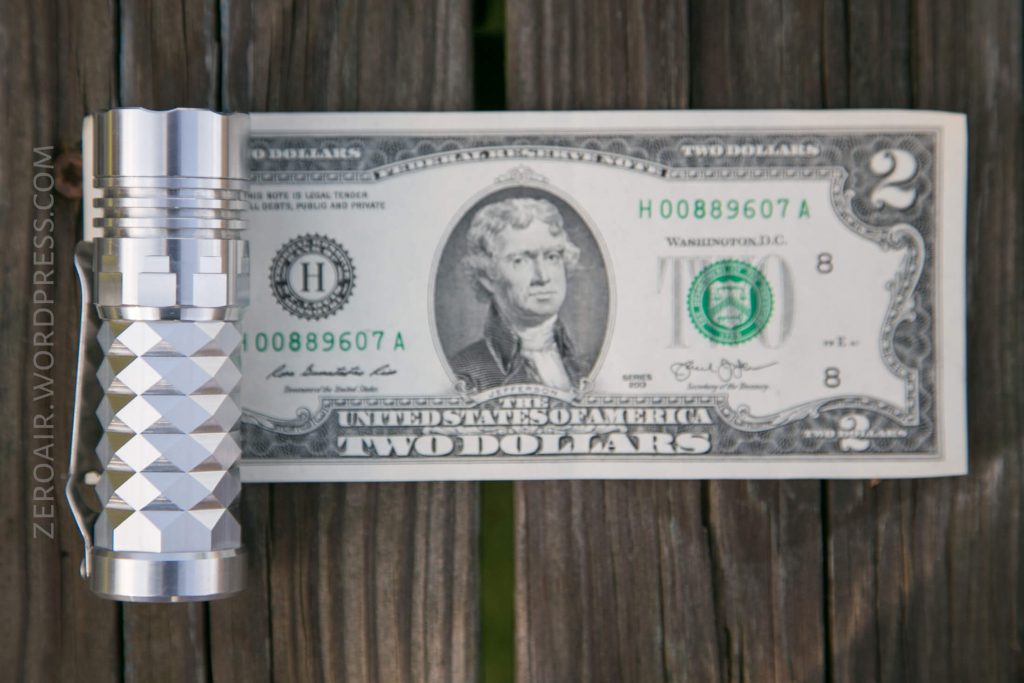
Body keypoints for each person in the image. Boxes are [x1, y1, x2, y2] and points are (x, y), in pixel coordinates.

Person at [450, 197, 587, 391]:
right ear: (487, 277)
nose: (543, 276)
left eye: (551, 257)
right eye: (520, 260)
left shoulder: (586, 364)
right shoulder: (465, 372)